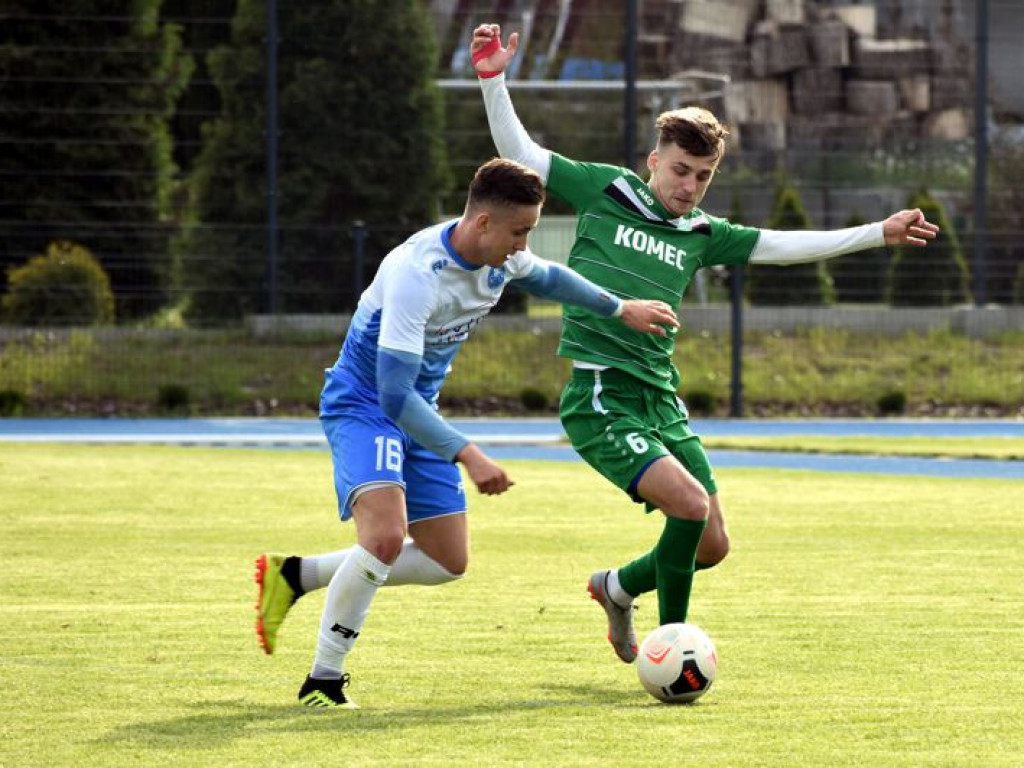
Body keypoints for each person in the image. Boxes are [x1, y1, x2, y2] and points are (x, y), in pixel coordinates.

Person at [470, 24, 940, 665]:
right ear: (653, 161)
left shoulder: (701, 230)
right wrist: (493, 78)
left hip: (662, 398)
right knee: (688, 507)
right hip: (602, 395)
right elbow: (520, 151)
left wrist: (874, 233)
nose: (689, 186)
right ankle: (673, 653)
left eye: (703, 176)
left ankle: (615, 587)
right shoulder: (605, 191)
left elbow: (783, 245)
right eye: (681, 170)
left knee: (712, 542)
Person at [254, 157, 679, 708]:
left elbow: (549, 277)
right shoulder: (417, 274)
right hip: (366, 405)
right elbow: (391, 395)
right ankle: (323, 680)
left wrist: (619, 307)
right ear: (483, 224)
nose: (523, 243)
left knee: (445, 560)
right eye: (519, 231)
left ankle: (293, 576)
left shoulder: (501, 257)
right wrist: (468, 452)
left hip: (419, 408)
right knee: (383, 537)